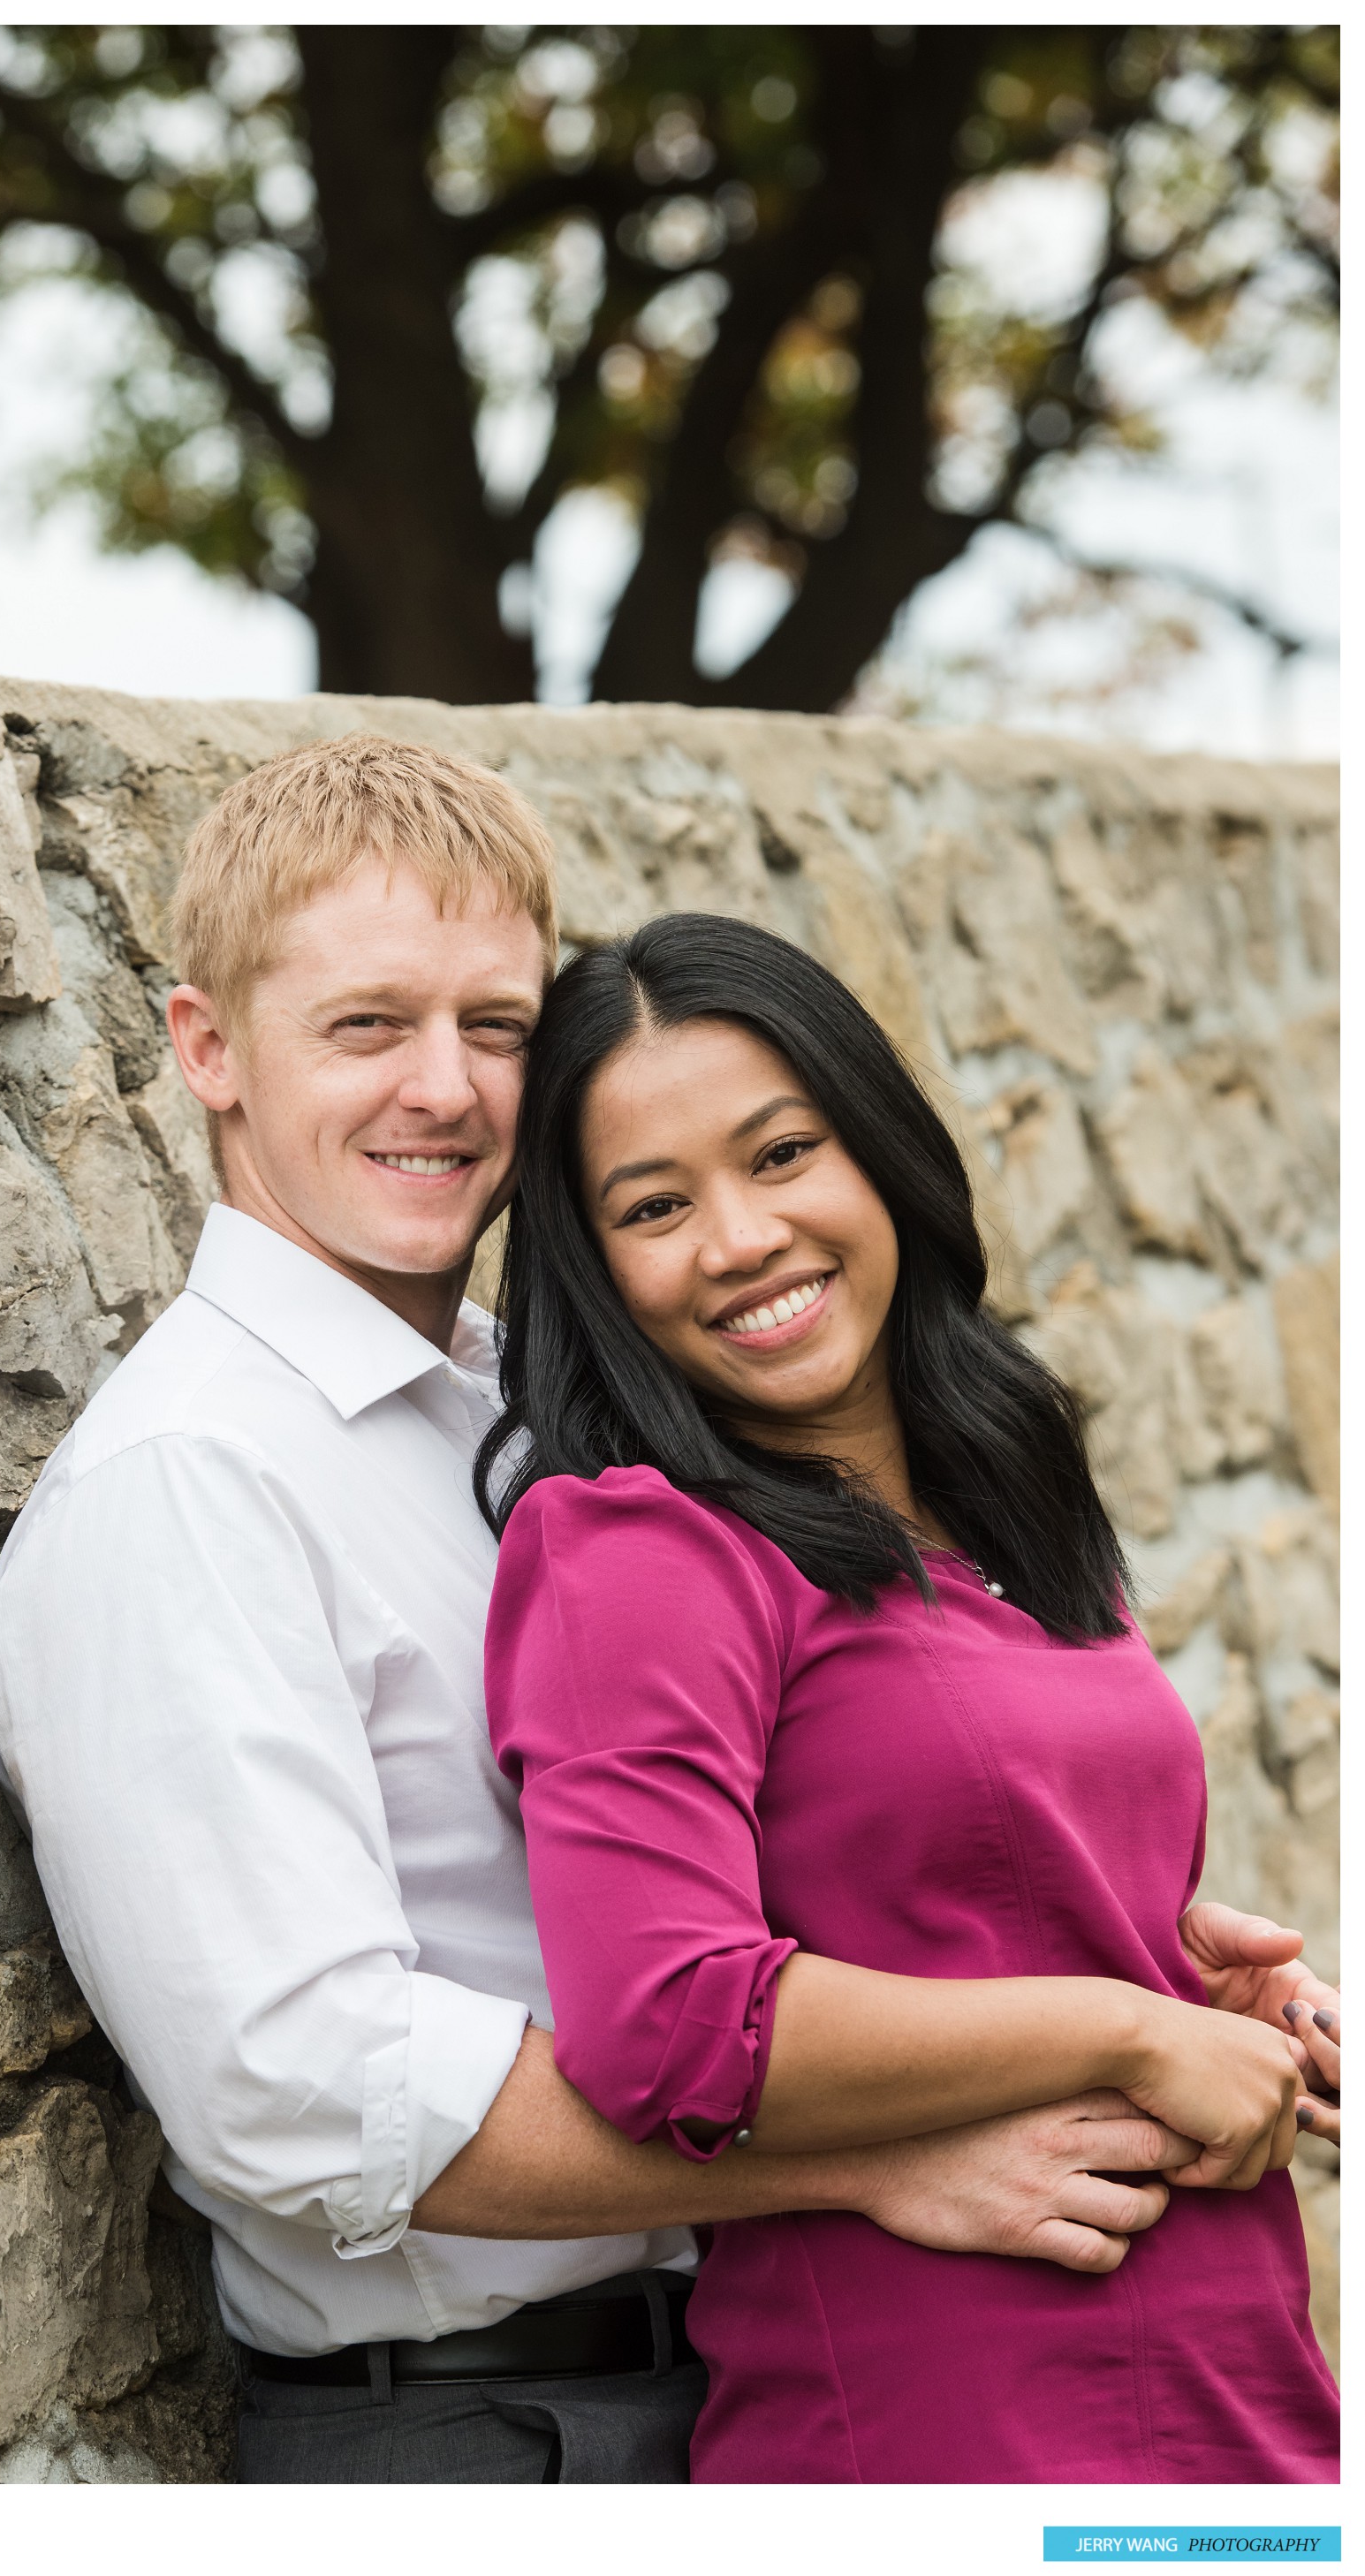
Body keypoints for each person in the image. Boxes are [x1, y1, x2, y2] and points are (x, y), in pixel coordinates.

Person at [0, 739, 1333, 2485]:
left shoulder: (503, 1406)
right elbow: (303, 2097)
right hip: (479, 2433)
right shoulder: (183, 1481)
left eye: (494, 1025)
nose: (446, 1089)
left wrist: (1074, 1906)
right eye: (367, 1026)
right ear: (209, 1049)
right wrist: (864, 2155)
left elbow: (704, 1816)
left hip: (694, 2371)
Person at [478, 912, 1341, 2484]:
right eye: (656, 1205)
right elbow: (664, 2020)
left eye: (782, 1153)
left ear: (880, 1153)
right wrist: (1124, 2031)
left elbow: (980, 1893)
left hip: (1228, 2373)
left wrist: (1208, 2000)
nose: (739, 1238)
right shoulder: (639, 1548)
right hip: (947, 2416)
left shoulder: (996, 1486)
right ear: (595, 1269)